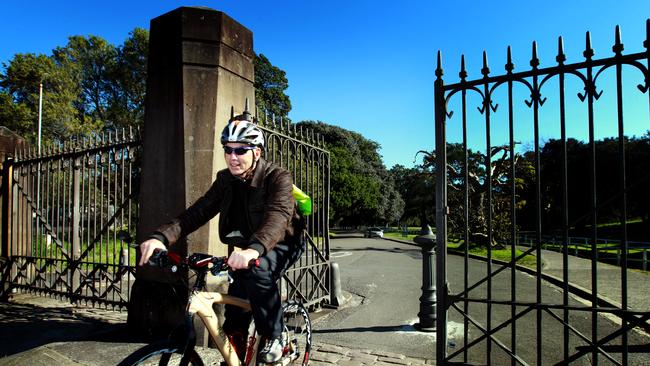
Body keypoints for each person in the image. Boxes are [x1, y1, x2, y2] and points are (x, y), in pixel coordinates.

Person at [138, 112, 304, 363]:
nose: (233, 157)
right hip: (248, 248)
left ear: (256, 152)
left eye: (241, 150)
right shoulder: (225, 180)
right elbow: (198, 212)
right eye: (228, 150)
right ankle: (235, 348)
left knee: (257, 272)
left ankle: (275, 336)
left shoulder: (277, 177)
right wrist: (161, 237)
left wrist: (253, 250)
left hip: (284, 242)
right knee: (236, 310)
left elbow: (278, 217)